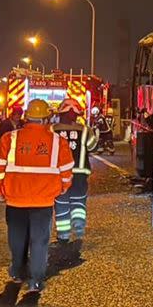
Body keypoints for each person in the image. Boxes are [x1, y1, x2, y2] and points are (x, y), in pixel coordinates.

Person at [0, 99, 74, 293]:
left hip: (15, 199)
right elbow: (67, 170)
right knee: (40, 239)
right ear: (47, 119)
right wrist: (63, 187)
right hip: (43, 200)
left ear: (26, 117)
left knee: (17, 237)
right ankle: (35, 280)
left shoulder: (10, 139)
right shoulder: (57, 142)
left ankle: (17, 272)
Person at [51, 99, 97, 242]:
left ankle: (63, 234)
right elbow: (92, 147)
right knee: (78, 201)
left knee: (61, 203)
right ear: (77, 115)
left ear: (60, 113)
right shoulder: (85, 130)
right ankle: (78, 224)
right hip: (79, 173)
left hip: (58, 174)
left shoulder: (51, 130)